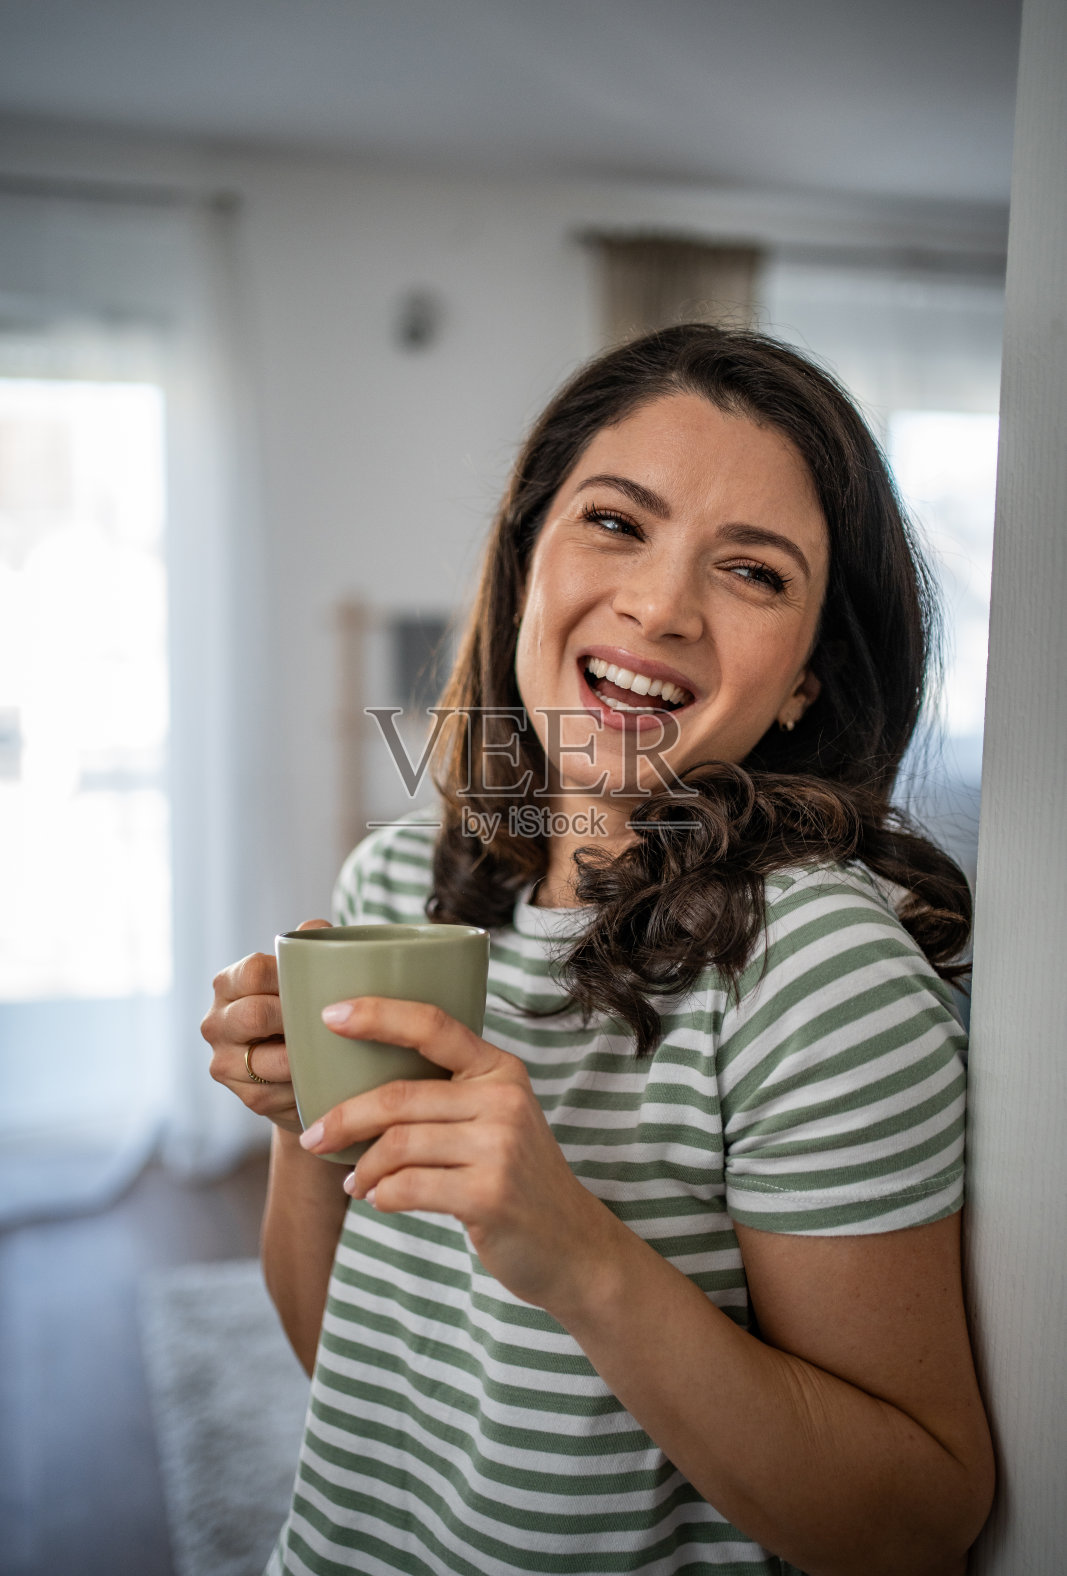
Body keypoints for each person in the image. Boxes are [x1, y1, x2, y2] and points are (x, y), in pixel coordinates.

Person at [202, 324, 994, 1576]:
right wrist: (302, 1126)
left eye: (751, 572)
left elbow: (908, 1526)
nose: (659, 606)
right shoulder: (398, 884)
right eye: (617, 524)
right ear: (526, 559)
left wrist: (576, 1252)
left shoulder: (816, 971)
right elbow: (346, 1368)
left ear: (804, 681)